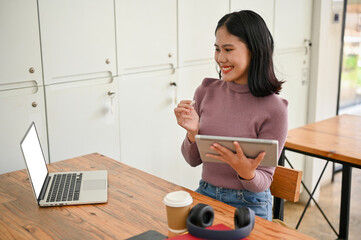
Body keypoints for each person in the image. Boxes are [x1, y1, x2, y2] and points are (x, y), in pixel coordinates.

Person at [174, 10, 288, 221]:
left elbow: (263, 180)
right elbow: (192, 160)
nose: (220, 58)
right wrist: (193, 133)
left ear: (254, 51)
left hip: (250, 204)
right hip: (206, 194)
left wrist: (246, 172)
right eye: (217, 49)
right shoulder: (206, 91)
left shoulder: (274, 108)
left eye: (228, 49)